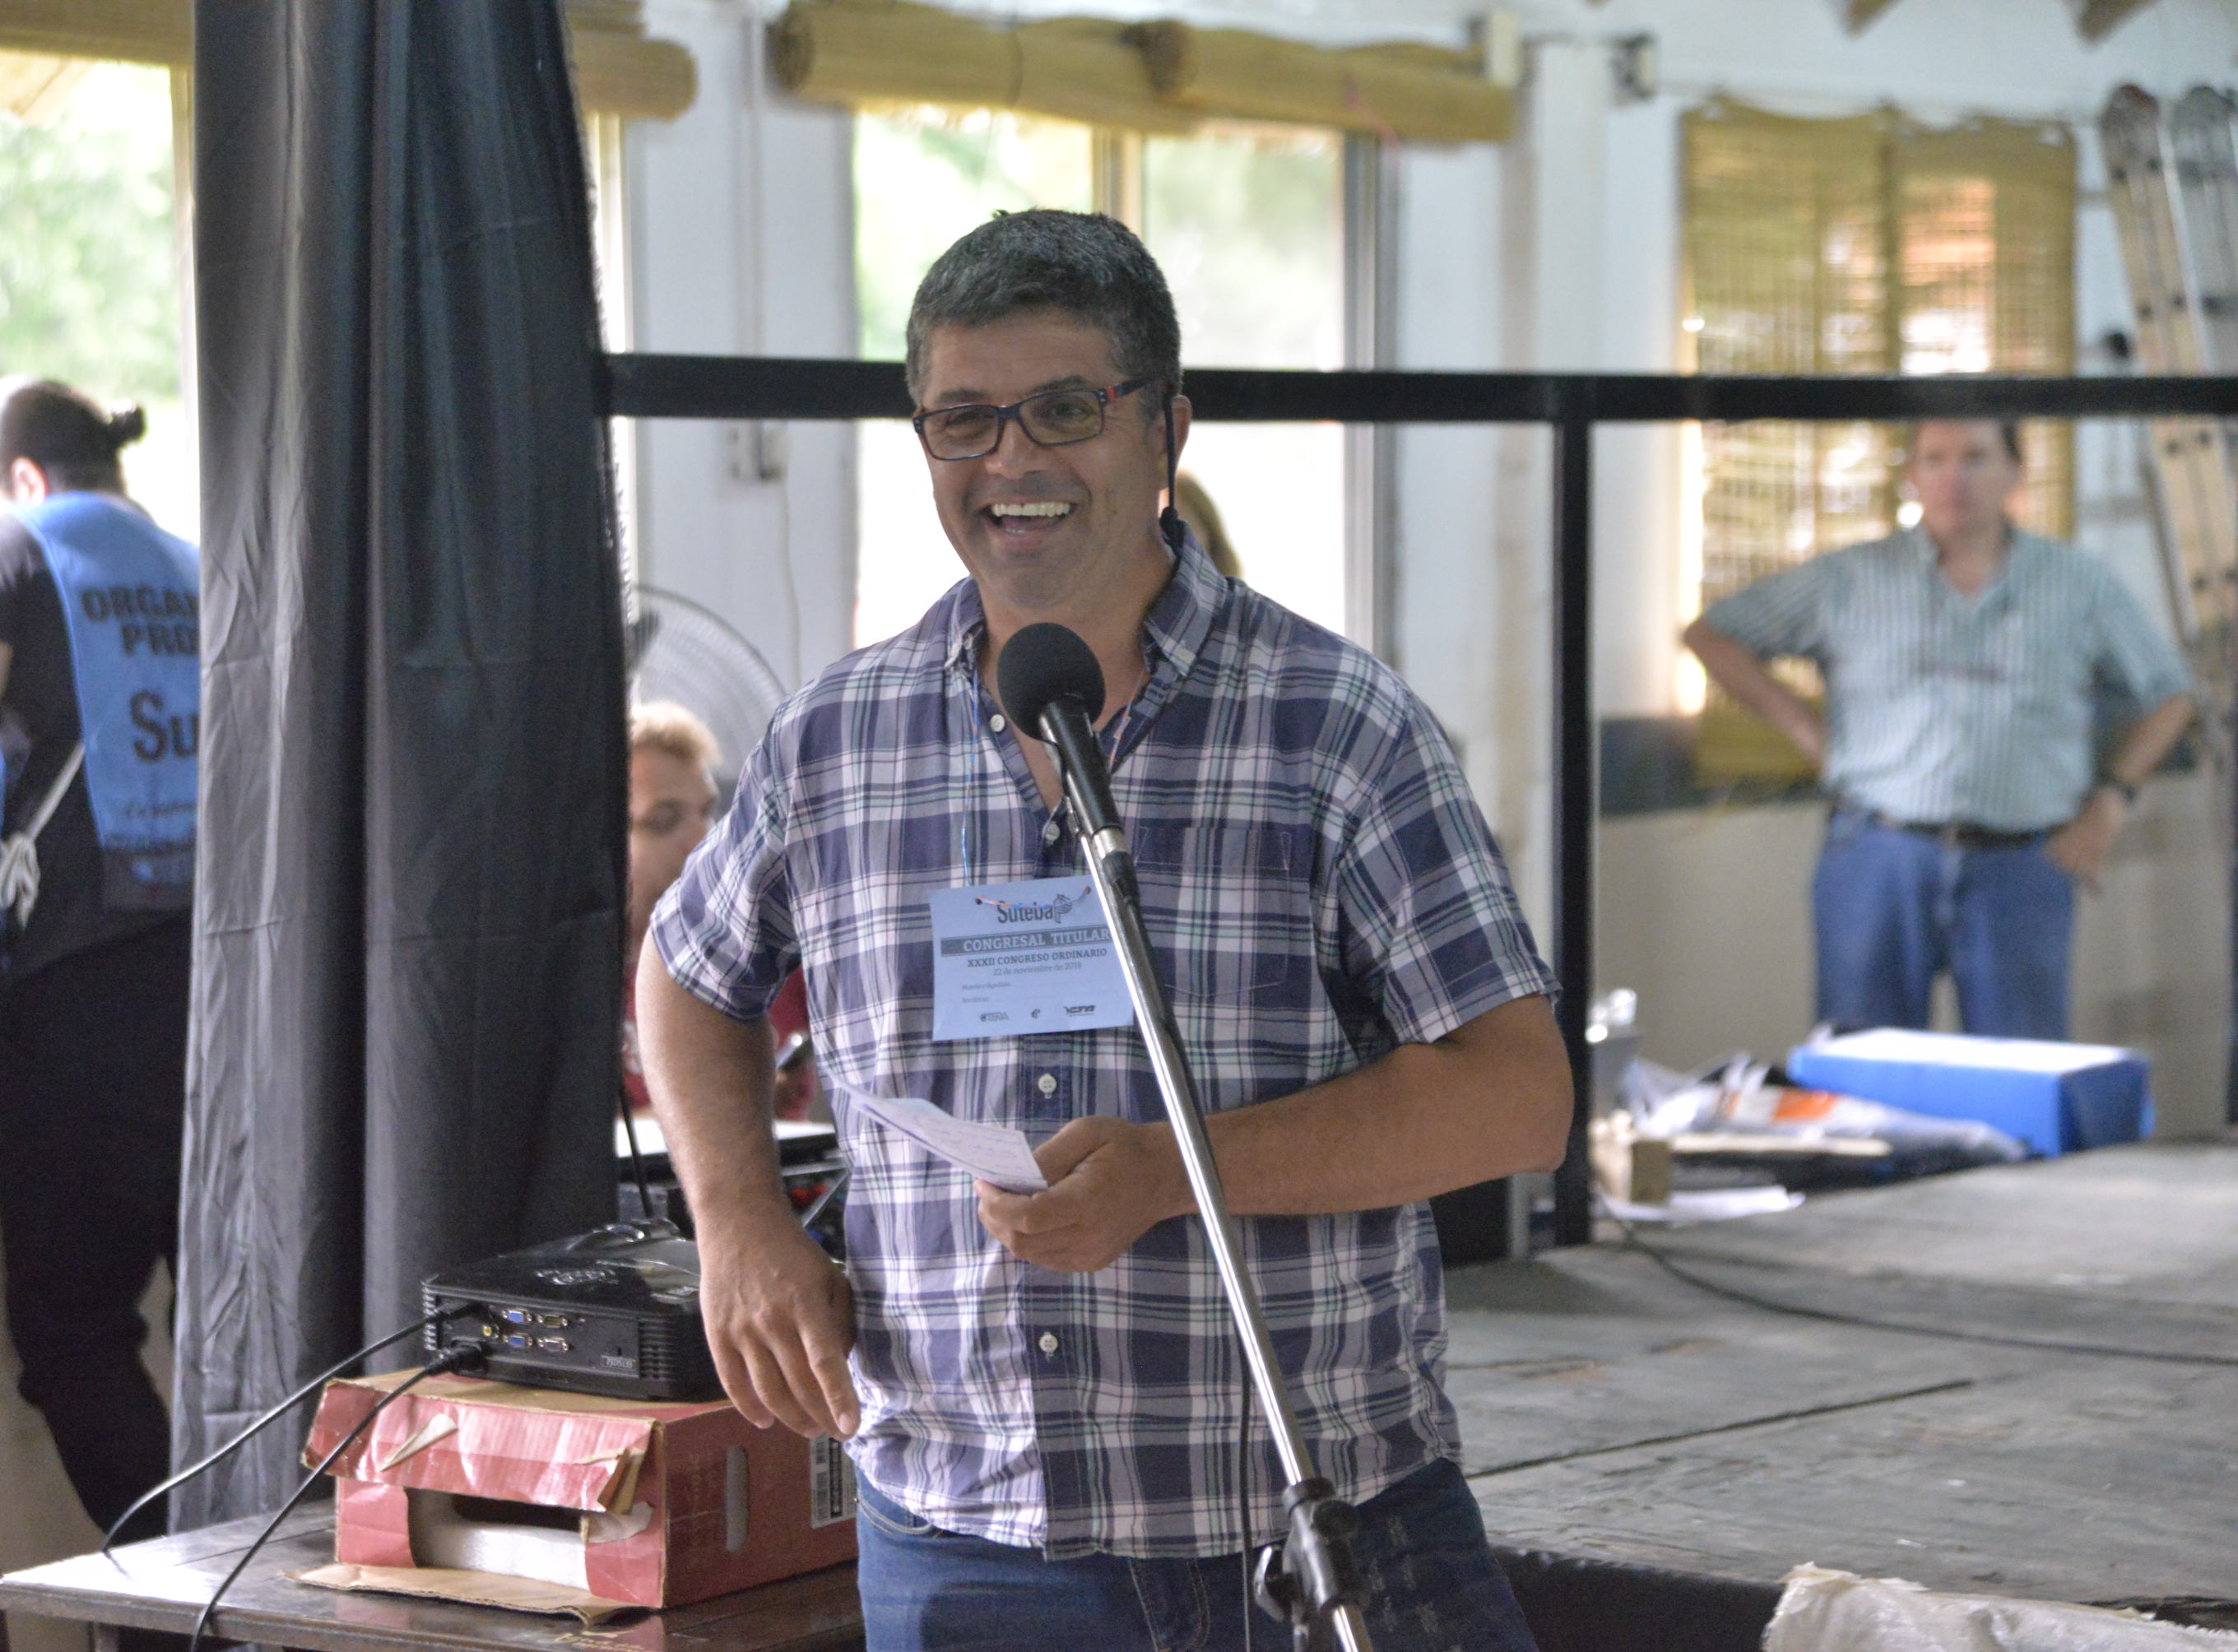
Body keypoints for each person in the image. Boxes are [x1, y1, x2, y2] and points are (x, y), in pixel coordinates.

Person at [638, 210, 1569, 1651]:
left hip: (1305, 1522)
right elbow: (688, 974)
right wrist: (740, 1222)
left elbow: (1517, 1095)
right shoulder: (836, 738)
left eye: (1065, 409)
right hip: (965, 1541)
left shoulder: (1334, 726)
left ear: (1165, 431)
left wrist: (1172, 1174)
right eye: (963, 419)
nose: (1010, 461)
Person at [0, 378, 198, 1542]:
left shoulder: (19, 546)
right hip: (224, 986)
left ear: (21, 478)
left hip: (88, 991)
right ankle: (270, 1589)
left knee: (72, 1334)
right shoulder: (198, 563)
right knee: (230, 1318)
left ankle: (183, 1598)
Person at [1684, 419, 2195, 1042]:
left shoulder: (2078, 583)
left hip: (2023, 861)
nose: (1955, 478)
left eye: (1975, 457)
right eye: (1936, 459)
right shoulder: (1851, 578)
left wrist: (2110, 802)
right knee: (1865, 1066)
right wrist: (1800, 723)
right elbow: (1711, 634)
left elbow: (2171, 693)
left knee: (2018, 1070)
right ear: (1913, 475)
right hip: (1879, 852)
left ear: (2015, 471)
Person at [622, 700, 814, 1123]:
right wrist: (731, 1110)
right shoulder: (567, 993)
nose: (703, 839)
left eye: (708, 812)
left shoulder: (776, 953)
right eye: (664, 821)